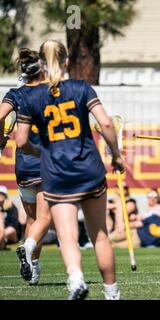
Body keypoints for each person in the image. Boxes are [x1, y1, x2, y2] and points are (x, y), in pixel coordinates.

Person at [15, 40, 124, 300]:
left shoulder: (31, 96)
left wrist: (41, 153)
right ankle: (112, 294)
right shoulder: (80, 87)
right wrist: (117, 155)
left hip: (57, 173)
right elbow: (106, 123)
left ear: (40, 63)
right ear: (66, 62)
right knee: (100, 236)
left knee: (68, 237)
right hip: (88, 168)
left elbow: (20, 142)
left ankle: (76, 280)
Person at [0, 48, 52, 285]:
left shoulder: (14, 94)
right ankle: (28, 247)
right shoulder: (50, 93)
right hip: (44, 161)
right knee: (45, 218)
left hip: (22, 165)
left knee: (32, 221)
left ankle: (34, 271)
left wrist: (1, 140)